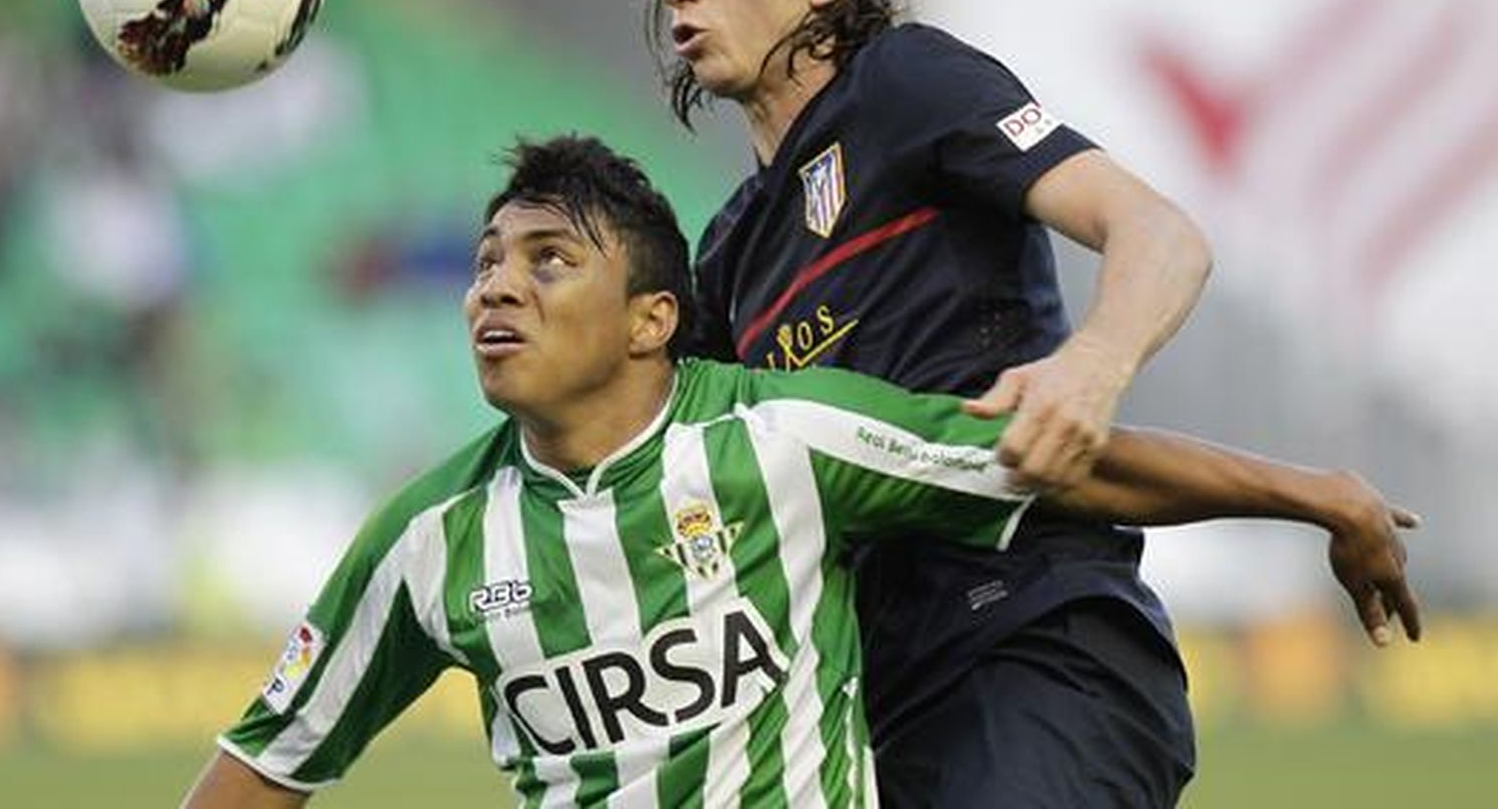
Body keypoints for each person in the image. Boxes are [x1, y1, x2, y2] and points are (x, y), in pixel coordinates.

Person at [180, 136, 1418, 808]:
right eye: (489, 261)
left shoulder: (781, 437)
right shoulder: (426, 541)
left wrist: (1322, 494)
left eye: (550, 259)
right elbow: (269, 760)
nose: (496, 284)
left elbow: (1056, 468)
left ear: (651, 318)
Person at [650, 0, 1218, 805]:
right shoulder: (732, 250)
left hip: (1033, 645)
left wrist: (1093, 364)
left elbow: (1159, 232)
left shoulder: (905, 86)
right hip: (881, 696)